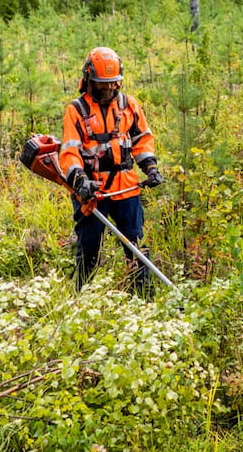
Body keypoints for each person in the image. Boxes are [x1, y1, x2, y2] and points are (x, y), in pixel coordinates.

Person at [58, 46, 164, 292]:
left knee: (136, 243)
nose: (108, 89)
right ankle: (83, 297)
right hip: (92, 192)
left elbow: (142, 140)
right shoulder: (76, 110)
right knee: (89, 246)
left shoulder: (129, 105)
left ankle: (143, 298)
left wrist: (150, 168)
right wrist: (80, 180)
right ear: (89, 80)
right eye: (102, 84)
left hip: (127, 188)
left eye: (112, 84)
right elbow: (70, 151)